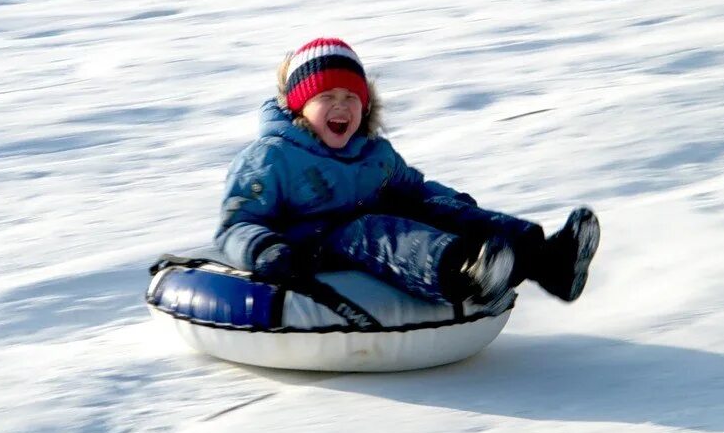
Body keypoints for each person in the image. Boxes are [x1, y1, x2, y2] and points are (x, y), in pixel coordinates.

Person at [213, 37, 600, 305]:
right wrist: (264, 249)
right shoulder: (271, 156)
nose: (341, 107)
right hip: (309, 246)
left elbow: (413, 187)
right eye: (326, 97)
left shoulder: (373, 151)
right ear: (299, 106)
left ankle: (551, 262)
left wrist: (454, 206)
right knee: (367, 228)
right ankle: (463, 274)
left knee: (431, 207)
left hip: (366, 229)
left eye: (351, 97)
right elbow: (236, 223)